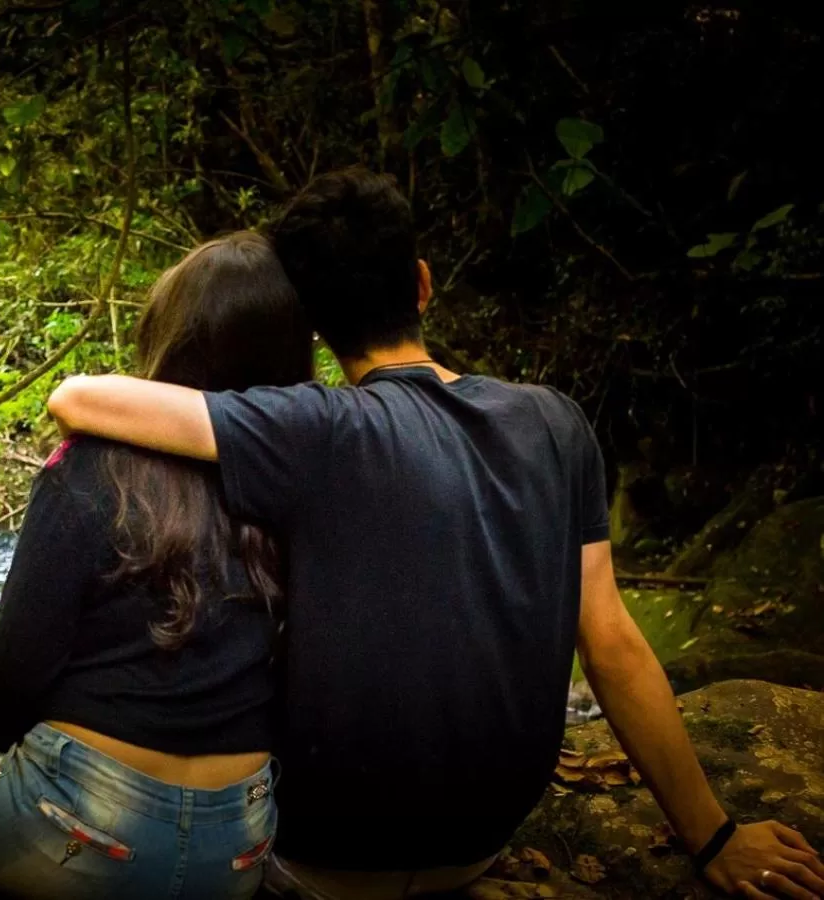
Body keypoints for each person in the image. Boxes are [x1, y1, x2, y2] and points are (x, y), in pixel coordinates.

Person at [46, 168, 824, 900]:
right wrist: (714, 837)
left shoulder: (315, 429)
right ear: (422, 282)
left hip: (320, 857)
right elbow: (612, 640)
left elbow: (80, 400)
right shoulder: (555, 422)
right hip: (480, 840)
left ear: (315, 329)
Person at [0, 231, 313, 899]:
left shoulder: (95, 469)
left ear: (167, 341)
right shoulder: (302, 487)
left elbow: (11, 670)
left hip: (79, 832)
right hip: (237, 844)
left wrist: (14, 753)